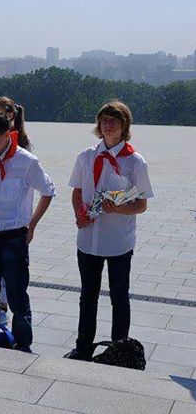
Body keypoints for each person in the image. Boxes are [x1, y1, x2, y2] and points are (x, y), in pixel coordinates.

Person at [65, 101, 153, 361]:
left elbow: (142, 204)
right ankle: (83, 347)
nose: (108, 124)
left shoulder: (135, 162)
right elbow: (78, 191)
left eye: (114, 120)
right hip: (88, 240)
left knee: (119, 297)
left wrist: (118, 210)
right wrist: (78, 213)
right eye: (104, 120)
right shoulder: (86, 156)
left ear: (124, 126)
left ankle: (119, 350)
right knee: (87, 297)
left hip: (118, 242)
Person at [0, 109, 55, 352]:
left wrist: (32, 224)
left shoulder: (27, 162)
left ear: (7, 134)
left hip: (12, 237)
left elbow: (49, 191)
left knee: (17, 295)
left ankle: (23, 343)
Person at [0, 96, 32, 323]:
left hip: (11, 217)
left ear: (10, 115)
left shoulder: (19, 144)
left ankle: (5, 308)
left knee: (10, 271)